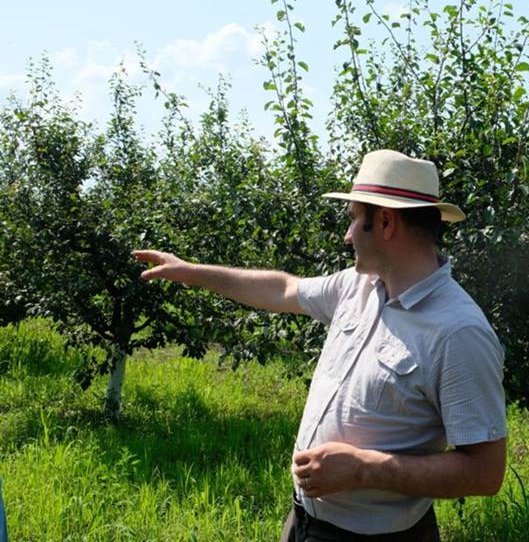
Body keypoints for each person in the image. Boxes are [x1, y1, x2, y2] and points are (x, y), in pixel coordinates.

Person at [134, 149, 507, 541]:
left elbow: (484, 472)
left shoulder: (458, 333)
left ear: (384, 221)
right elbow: (284, 288)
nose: (347, 236)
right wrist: (192, 273)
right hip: (305, 521)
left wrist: (363, 468)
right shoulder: (357, 286)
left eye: (352, 220)